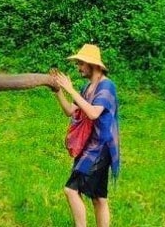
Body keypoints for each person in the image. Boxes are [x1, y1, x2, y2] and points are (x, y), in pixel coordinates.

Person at [51, 44, 120, 227]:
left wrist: (70, 89)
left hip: (101, 148)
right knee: (99, 198)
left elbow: (93, 113)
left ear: (93, 65)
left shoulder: (107, 87)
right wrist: (59, 91)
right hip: (88, 145)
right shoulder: (87, 88)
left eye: (81, 63)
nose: (78, 67)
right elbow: (70, 111)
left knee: (71, 190)